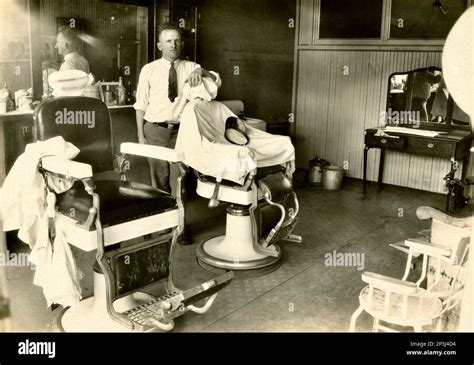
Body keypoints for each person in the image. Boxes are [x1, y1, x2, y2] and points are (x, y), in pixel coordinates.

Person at [134, 22, 221, 244]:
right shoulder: (149, 69)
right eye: (168, 41)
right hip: (154, 130)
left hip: (183, 133)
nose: (173, 45)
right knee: (158, 181)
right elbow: (141, 104)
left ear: (181, 43)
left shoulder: (193, 67)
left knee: (179, 182)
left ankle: (178, 228)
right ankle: (158, 224)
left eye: (177, 41)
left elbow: (215, 82)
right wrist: (141, 137)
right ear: (159, 45)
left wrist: (202, 72)